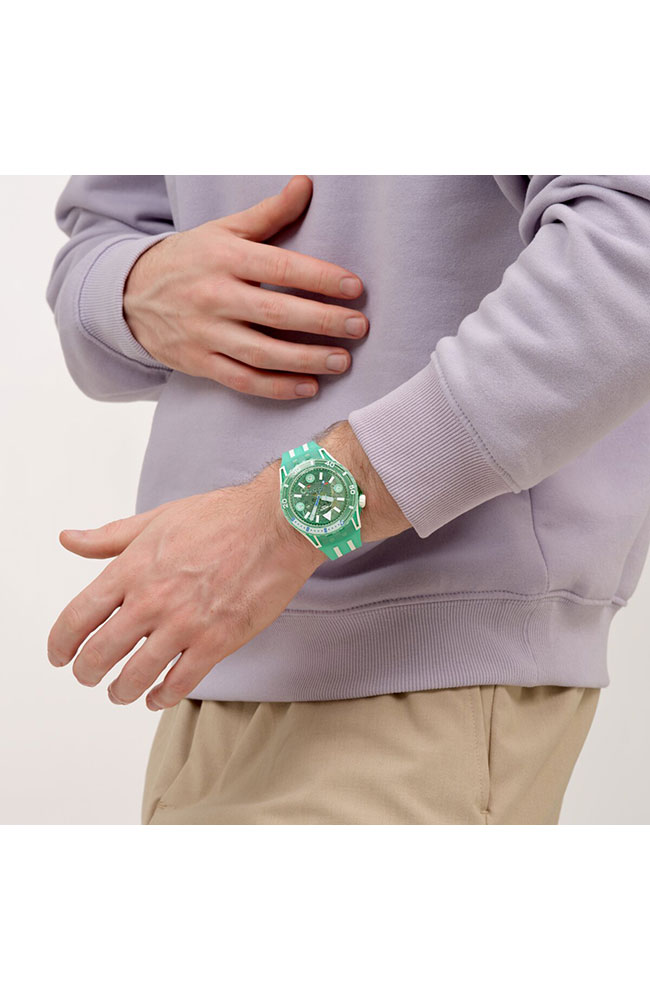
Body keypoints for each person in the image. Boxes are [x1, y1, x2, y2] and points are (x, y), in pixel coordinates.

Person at [46, 175, 650, 824]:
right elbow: (100, 236)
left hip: (421, 671)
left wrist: (285, 522)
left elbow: (628, 244)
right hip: (210, 657)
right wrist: (129, 287)